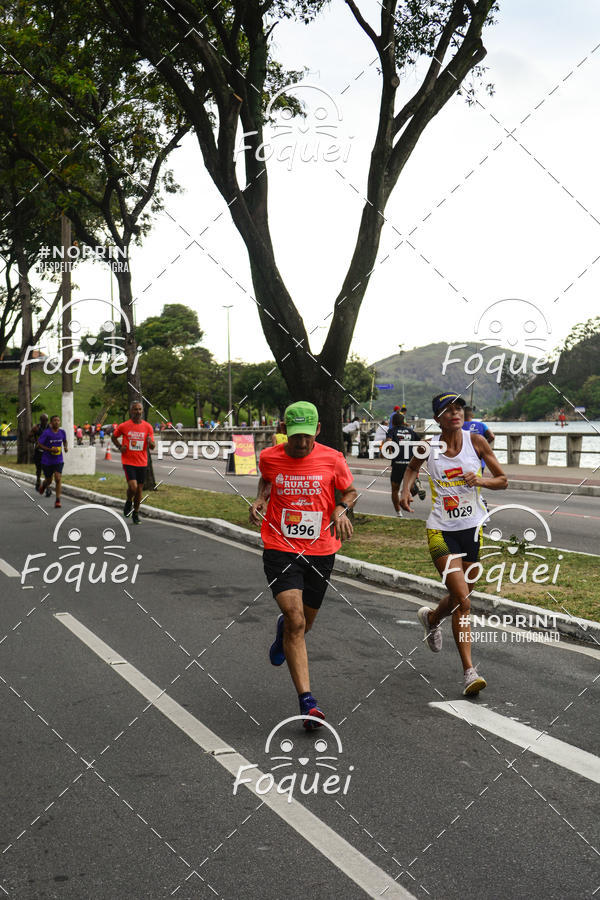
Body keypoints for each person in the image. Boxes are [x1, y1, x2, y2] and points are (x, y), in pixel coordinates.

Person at [249, 401, 357, 728]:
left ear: (318, 430)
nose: (301, 442)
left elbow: (350, 491)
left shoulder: (333, 459)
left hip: (321, 550)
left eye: (307, 436)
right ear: (284, 430)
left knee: (303, 624)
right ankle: (307, 704)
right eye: (295, 436)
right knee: (296, 619)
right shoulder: (269, 457)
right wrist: (261, 498)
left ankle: (283, 630)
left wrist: (340, 508)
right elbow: (267, 480)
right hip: (280, 546)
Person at [400, 392, 507, 696]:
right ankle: (469, 672)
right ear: (437, 418)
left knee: (462, 595)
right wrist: (405, 491)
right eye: (448, 410)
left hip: (472, 530)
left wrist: (481, 480)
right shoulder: (428, 447)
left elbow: (503, 480)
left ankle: (432, 618)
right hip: (441, 530)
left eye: (459, 407)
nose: (455, 413)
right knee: (463, 600)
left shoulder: (477, 442)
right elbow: (411, 468)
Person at [111, 401, 155, 525]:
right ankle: (128, 501)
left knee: (139, 490)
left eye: (140, 409)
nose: (138, 412)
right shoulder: (124, 426)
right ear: (131, 411)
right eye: (135, 409)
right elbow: (114, 437)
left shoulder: (148, 427)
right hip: (128, 461)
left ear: (142, 411)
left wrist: (150, 442)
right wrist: (120, 447)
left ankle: (136, 512)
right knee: (133, 487)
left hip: (142, 462)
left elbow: (152, 447)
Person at [387, 412, 425, 516]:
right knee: (410, 487)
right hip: (410, 464)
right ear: (404, 422)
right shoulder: (411, 431)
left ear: (392, 422)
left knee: (395, 490)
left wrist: (389, 452)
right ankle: (414, 487)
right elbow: (422, 442)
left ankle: (398, 513)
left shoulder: (392, 430)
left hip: (398, 463)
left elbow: (389, 442)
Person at [37, 414, 68, 508]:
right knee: (49, 481)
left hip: (58, 460)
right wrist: (50, 449)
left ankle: (58, 500)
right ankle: (43, 486)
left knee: (58, 478)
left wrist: (65, 447)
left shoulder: (62, 432)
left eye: (58, 420)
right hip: (47, 461)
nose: (57, 422)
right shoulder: (47, 433)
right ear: (51, 423)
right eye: (55, 420)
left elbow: (65, 441)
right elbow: (39, 444)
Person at [28, 413, 49, 490]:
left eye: (46, 420)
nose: (44, 421)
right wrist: (35, 442)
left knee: (47, 468)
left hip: (47, 451)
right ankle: (38, 480)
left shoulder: (50, 428)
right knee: (39, 468)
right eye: (43, 420)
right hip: (38, 451)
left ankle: (47, 485)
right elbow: (28, 437)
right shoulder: (36, 428)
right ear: (40, 420)